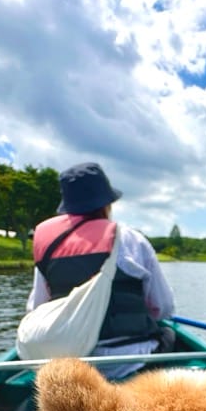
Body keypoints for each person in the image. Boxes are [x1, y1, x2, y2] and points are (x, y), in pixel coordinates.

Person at [27, 162, 175, 379]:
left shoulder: (49, 247)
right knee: (169, 334)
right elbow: (164, 308)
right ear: (107, 204)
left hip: (73, 365)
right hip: (133, 361)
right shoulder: (133, 240)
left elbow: (36, 309)